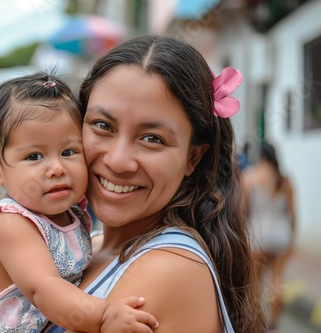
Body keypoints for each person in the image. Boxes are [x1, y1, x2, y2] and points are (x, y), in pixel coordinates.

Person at [45, 34, 266, 333]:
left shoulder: (170, 267)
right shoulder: (90, 245)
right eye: (102, 125)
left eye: (153, 139)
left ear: (193, 158)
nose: (118, 161)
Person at [0, 72, 158, 332]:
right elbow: (44, 288)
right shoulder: (10, 223)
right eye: (34, 156)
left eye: (68, 152)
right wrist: (104, 315)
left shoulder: (72, 212)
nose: (56, 168)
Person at [242, 141, 296, 332]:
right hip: (281, 235)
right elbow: (292, 213)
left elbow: (242, 211)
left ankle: (259, 324)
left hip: (257, 235)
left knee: (255, 284)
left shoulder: (249, 177)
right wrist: (292, 238)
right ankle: (274, 323)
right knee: (276, 281)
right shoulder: (285, 180)